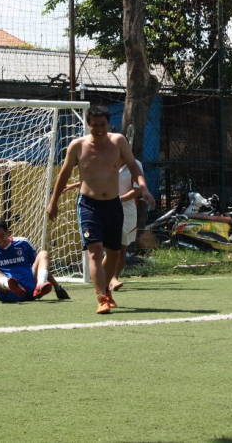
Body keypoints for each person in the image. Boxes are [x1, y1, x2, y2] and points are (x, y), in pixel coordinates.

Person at [46, 105, 155, 314]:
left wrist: (144, 189)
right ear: (88, 125)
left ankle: (106, 289)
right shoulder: (77, 146)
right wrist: (53, 202)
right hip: (89, 205)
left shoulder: (119, 141)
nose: (98, 128)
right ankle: (102, 298)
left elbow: (134, 167)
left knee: (114, 253)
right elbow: (64, 176)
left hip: (114, 205)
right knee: (94, 252)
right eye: (94, 125)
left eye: (102, 124)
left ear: (108, 124)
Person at [62, 158, 143, 292]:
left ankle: (113, 278)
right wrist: (75, 185)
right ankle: (105, 284)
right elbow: (94, 180)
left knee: (121, 247)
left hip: (127, 208)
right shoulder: (105, 157)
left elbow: (137, 190)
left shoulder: (135, 164)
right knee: (100, 247)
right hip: (105, 206)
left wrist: (117, 199)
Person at [0, 217, 70, 303]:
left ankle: (40, 285)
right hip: (7, 291)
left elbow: (42, 267)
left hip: (30, 288)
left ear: (8, 233)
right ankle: (10, 285)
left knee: (43, 254)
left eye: (2, 236)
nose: (0, 241)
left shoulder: (23, 243)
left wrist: (57, 287)